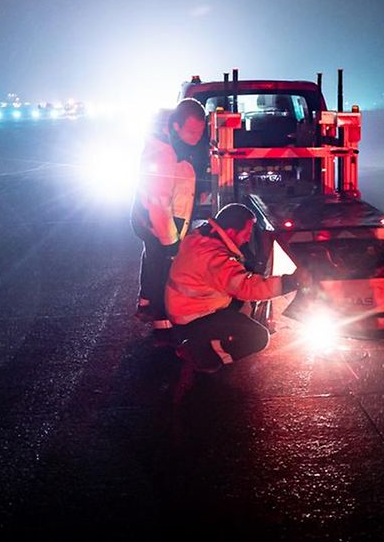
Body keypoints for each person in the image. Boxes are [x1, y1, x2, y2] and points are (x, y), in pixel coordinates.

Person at [165, 203, 308, 372]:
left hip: (185, 307)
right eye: (246, 233)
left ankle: (204, 342)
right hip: (192, 317)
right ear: (231, 232)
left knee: (244, 307)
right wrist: (291, 282)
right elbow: (247, 287)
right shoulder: (214, 257)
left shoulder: (201, 237)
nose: (247, 239)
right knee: (258, 337)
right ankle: (199, 352)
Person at [130, 98, 208, 342]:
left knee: (154, 259)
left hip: (157, 218)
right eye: (192, 131)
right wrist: (170, 241)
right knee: (164, 266)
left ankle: (147, 303)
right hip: (156, 220)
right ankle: (162, 326)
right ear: (175, 127)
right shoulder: (163, 152)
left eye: (201, 130)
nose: (198, 136)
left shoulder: (177, 145)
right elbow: (158, 201)